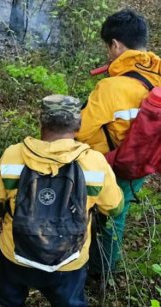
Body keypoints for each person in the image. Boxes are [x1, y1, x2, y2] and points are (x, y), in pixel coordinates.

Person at [0, 95, 124, 306]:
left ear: (41, 122)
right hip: (69, 261)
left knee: (8, 301)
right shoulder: (95, 162)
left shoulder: (13, 155)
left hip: (15, 254)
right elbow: (114, 208)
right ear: (78, 125)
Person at [76, 9, 161, 277]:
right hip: (146, 160)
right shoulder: (157, 74)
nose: (108, 55)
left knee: (106, 214)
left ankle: (99, 270)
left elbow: (79, 132)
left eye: (108, 48)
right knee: (118, 211)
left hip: (112, 165)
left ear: (116, 44)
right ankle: (104, 268)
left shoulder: (112, 88)